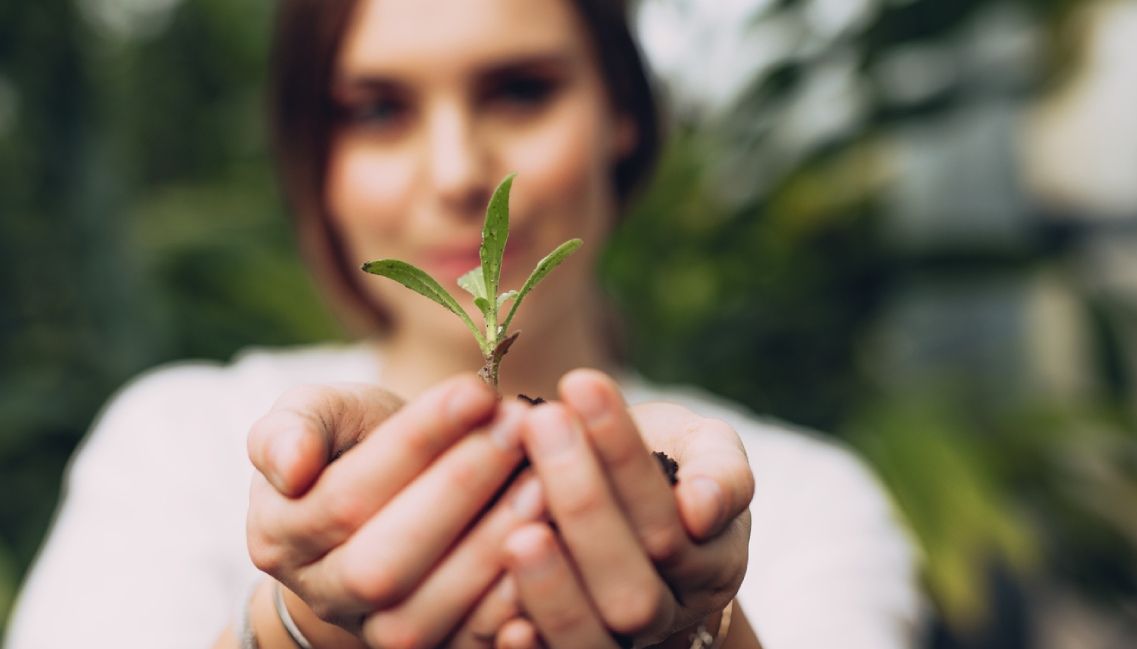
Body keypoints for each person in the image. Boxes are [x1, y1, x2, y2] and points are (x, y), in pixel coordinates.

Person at [4, 0, 920, 647]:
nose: (455, 172)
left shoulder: (784, 497)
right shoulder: (182, 445)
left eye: (520, 90)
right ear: (315, 156)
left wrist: (705, 627)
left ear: (625, 117)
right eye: (378, 110)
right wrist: (295, 630)